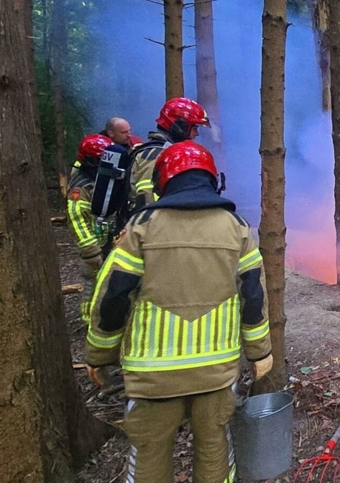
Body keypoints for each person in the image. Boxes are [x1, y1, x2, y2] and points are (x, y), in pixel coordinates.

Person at [86, 140, 272, 483]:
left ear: (163, 182)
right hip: (216, 373)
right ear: (213, 180)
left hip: (153, 375)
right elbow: (254, 296)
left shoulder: (141, 226)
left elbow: (111, 298)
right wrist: (260, 353)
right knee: (215, 449)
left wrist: (100, 354)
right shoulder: (239, 228)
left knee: (149, 455)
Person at [67, 133, 116, 323]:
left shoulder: (94, 178)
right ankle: (88, 320)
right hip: (94, 246)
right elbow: (77, 219)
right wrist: (91, 251)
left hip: (104, 239)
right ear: (89, 161)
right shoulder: (80, 188)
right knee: (91, 283)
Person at [128, 97, 211, 208]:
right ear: (180, 127)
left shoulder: (165, 152)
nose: (196, 134)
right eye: (194, 128)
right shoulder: (156, 155)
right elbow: (147, 201)